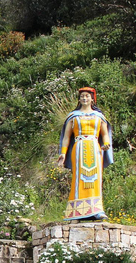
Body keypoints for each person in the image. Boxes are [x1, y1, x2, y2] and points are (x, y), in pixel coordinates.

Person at [57, 87, 113, 221]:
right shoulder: (73, 116)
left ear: (92, 98)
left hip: (95, 147)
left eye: (87, 96)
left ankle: (97, 210)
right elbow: (66, 137)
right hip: (79, 147)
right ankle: (76, 212)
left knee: (95, 178)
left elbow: (105, 134)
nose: (84, 98)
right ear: (79, 98)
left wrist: (106, 144)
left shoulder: (99, 116)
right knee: (78, 179)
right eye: (82, 96)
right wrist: (63, 153)